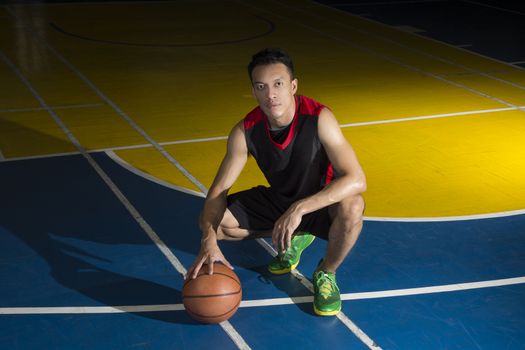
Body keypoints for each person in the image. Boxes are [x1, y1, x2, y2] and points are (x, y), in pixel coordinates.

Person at [187, 48, 366, 316]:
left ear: (293, 86)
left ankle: (326, 272)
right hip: (281, 199)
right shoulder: (244, 130)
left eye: (278, 84)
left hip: (320, 202)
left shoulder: (319, 118)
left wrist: (299, 209)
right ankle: (293, 234)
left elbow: (357, 179)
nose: (271, 94)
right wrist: (208, 241)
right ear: (254, 91)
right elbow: (217, 192)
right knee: (215, 223)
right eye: (262, 87)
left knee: (353, 207)